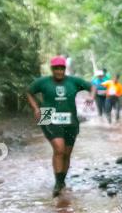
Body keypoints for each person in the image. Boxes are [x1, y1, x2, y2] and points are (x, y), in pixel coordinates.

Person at [27, 56, 96, 196]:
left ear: (64, 69)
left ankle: (62, 181)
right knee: (59, 149)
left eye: (61, 68)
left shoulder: (74, 81)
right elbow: (29, 92)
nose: (59, 71)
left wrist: (92, 96)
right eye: (56, 68)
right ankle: (58, 184)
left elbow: (92, 87)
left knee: (67, 153)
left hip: (70, 118)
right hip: (48, 115)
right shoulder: (43, 82)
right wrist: (35, 108)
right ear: (52, 69)